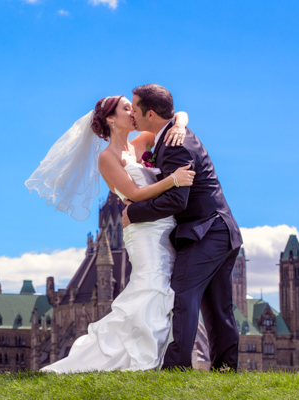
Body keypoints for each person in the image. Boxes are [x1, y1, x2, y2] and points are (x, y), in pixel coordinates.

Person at [26, 95, 195, 372]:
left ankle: (160, 359)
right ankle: (143, 359)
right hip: (143, 233)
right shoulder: (107, 157)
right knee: (150, 287)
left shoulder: (140, 143)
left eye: (134, 107)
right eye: (126, 108)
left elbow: (174, 119)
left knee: (165, 291)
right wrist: (172, 180)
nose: (134, 112)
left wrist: (180, 125)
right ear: (110, 119)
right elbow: (134, 194)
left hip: (164, 229)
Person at [124, 84, 242, 371]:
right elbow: (176, 117)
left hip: (207, 231)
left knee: (182, 294)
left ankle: (176, 367)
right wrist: (180, 119)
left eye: (135, 109)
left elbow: (177, 199)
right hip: (221, 231)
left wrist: (133, 211)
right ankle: (225, 370)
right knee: (217, 306)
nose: (132, 115)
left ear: (150, 114)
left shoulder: (175, 145)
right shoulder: (171, 134)